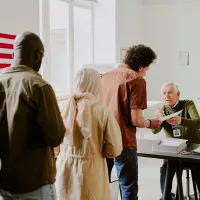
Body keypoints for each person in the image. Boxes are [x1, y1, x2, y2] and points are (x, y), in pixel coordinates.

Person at [0, 32, 66, 200]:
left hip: (5, 182)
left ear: (13, 54)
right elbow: (55, 136)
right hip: (35, 184)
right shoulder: (38, 86)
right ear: (37, 55)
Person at [99, 44, 162, 200]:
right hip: (123, 141)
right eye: (146, 70)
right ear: (140, 66)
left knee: (102, 186)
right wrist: (151, 123)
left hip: (101, 139)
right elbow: (137, 120)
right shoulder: (136, 79)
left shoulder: (103, 76)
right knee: (128, 188)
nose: (145, 74)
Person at [55, 68, 123, 200]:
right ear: (96, 85)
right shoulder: (102, 111)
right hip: (92, 170)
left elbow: (54, 144)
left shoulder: (63, 108)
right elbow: (113, 149)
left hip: (64, 167)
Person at [152, 82, 200, 200]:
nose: (166, 96)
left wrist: (181, 121)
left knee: (197, 166)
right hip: (173, 150)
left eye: (170, 92)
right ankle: (165, 195)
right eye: (164, 93)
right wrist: (157, 119)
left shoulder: (188, 104)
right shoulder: (162, 109)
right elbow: (154, 132)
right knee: (166, 165)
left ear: (178, 94)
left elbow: (197, 122)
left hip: (191, 148)